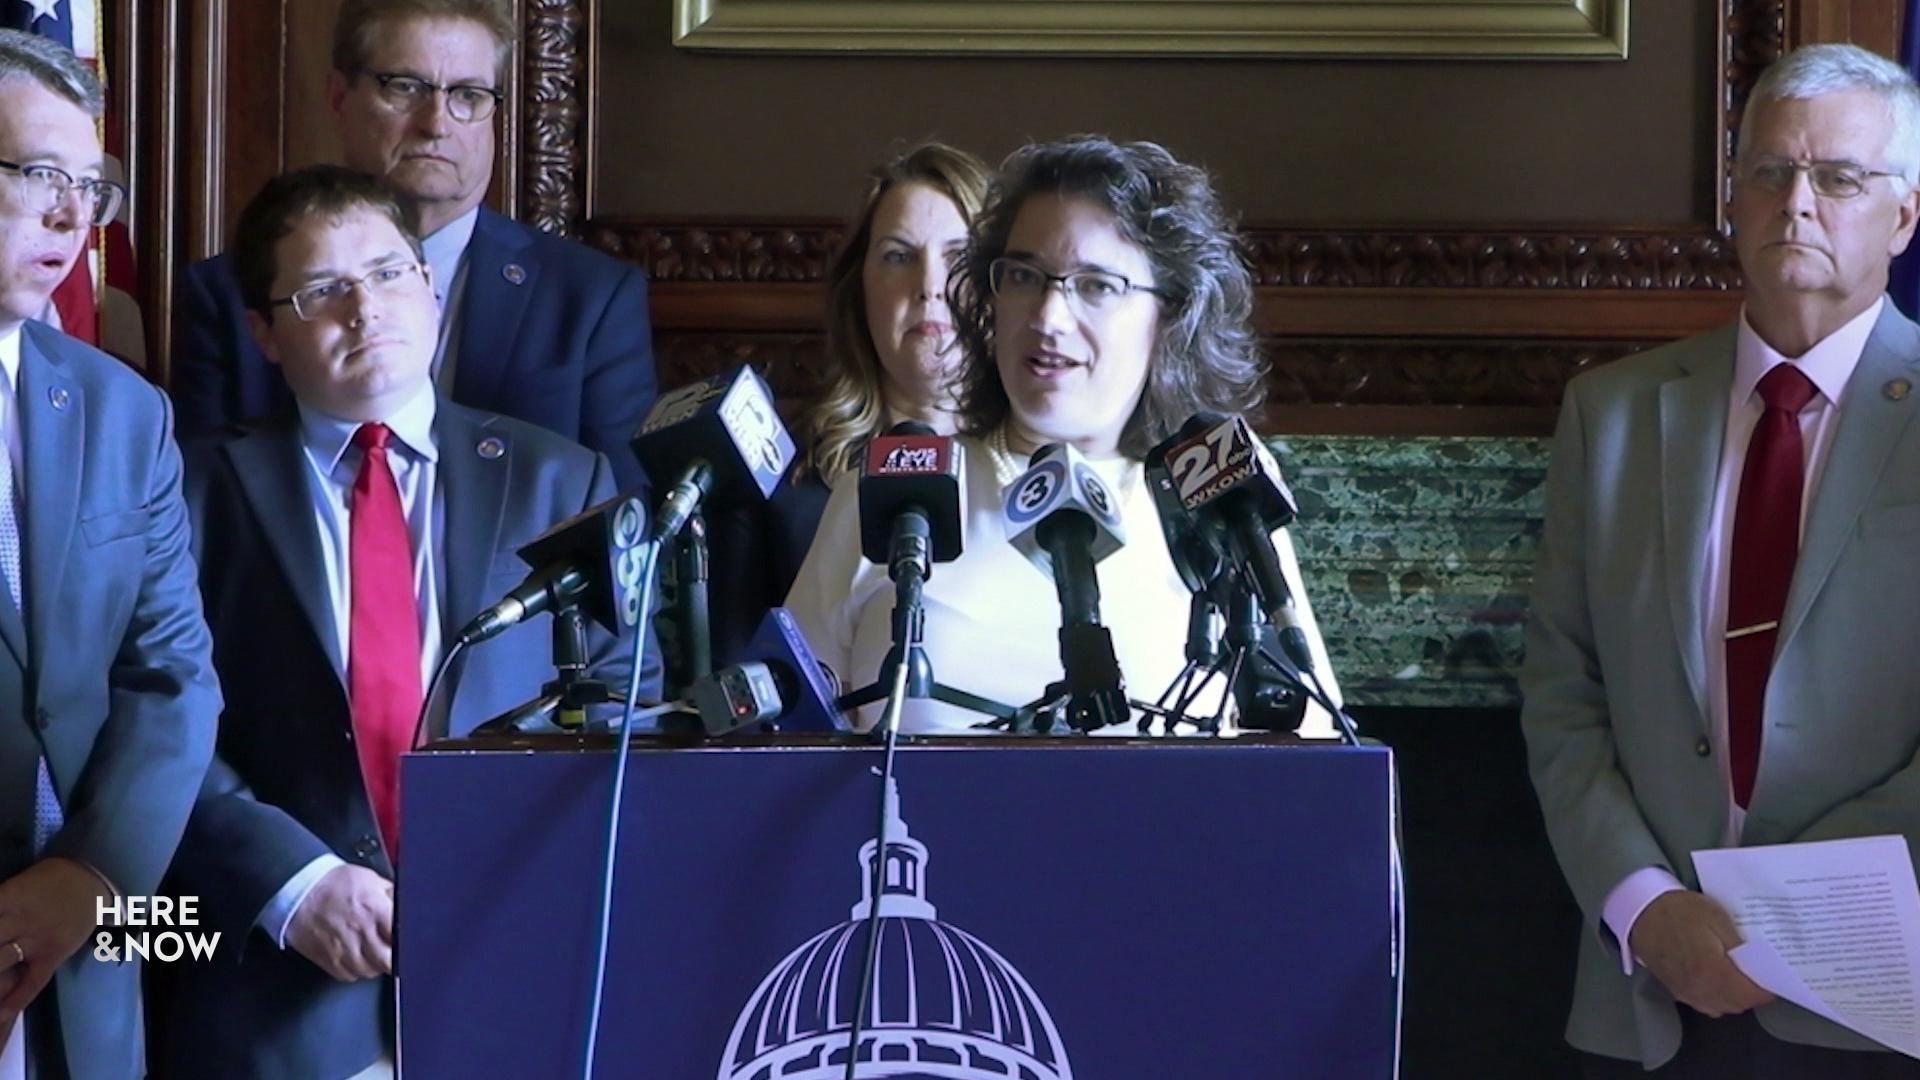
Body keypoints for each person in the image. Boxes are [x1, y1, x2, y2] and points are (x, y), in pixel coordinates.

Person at [156, 165, 658, 1080]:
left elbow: (634, 706)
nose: (366, 309)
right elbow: (155, 726)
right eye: (322, 291)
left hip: (518, 983)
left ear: (430, 287)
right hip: (280, 998)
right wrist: (292, 884)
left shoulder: (561, 480)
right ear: (265, 333)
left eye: (389, 273)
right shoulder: (188, 494)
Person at [1522, 43, 1920, 1077]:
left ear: (1905, 216)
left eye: (1838, 177)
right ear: (1733, 203)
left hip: (1884, 1003)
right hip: (1651, 997)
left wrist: (1786, 925)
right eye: (1770, 174)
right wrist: (1646, 908)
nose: (1798, 204)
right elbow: (1564, 694)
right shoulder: (1608, 417)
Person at [785, 135, 1340, 735]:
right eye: (1023, 276)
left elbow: (1313, 750)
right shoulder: (897, 484)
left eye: (1097, 285)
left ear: (1170, 313)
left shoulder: (1214, 474)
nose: (1047, 319)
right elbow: (779, 749)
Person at [170, 0, 657, 491]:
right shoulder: (229, 296)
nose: (437, 123)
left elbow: (622, 523)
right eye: (405, 87)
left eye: (468, 95)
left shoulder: (590, 299)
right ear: (340, 97)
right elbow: (206, 509)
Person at [0, 28, 220, 1080]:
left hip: (84, 964)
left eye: (93, 186)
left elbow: (174, 677)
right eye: (40, 174)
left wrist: (89, 872)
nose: (70, 215)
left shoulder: (123, 410)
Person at [697, 142, 990, 672]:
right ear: (859, 293)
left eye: (958, 258)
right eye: (899, 257)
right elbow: (737, 691)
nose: (929, 287)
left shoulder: (1048, 471)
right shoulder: (777, 481)